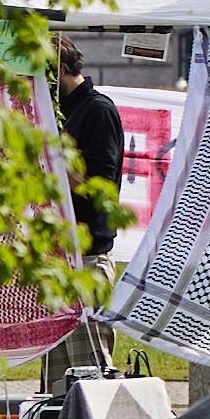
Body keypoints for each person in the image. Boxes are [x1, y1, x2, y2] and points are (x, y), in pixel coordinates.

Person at [52, 53, 127, 263]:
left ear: (63, 69)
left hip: (87, 256)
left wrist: (54, 168)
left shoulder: (98, 110)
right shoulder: (63, 110)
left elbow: (102, 187)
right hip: (59, 250)